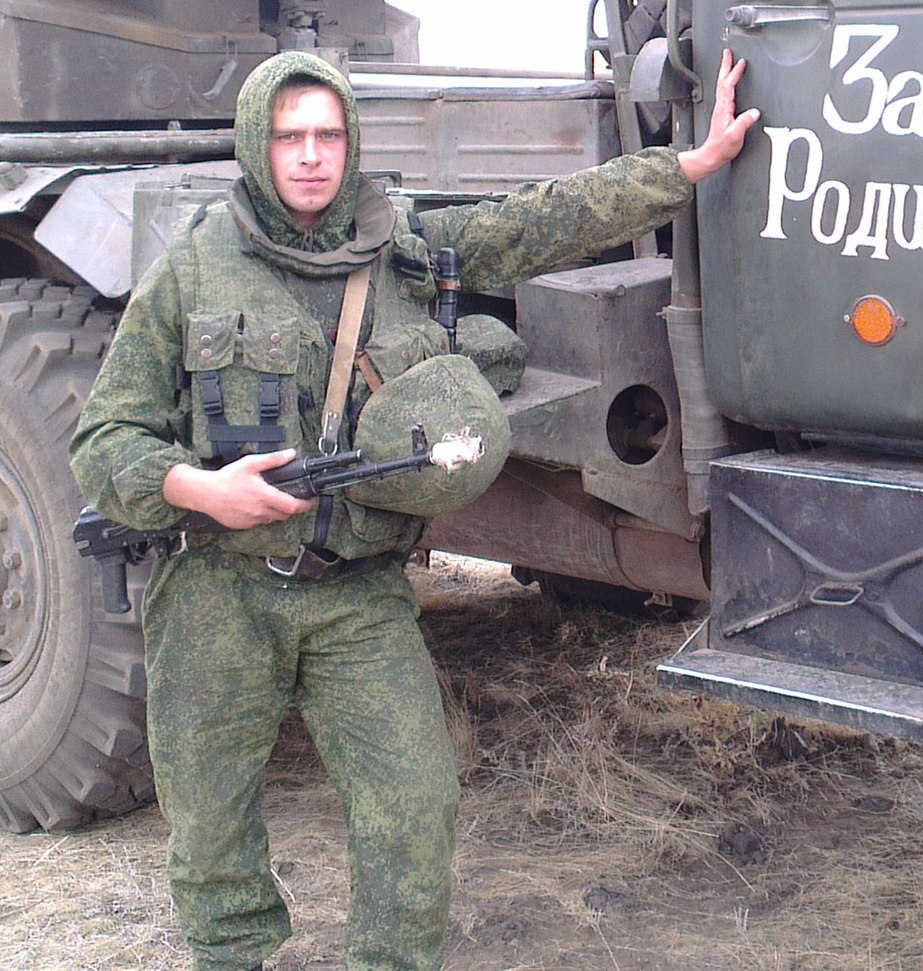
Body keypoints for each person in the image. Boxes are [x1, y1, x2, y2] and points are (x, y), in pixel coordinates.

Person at [71, 47, 756, 971]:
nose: (310, 155)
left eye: (327, 134)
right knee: (209, 821)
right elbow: (104, 438)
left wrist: (688, 167)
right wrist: (201, 489)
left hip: (356, 595)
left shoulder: (404, 249)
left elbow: (544, 220)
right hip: (217, 593)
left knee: (415, 803)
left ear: (351, 143)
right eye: (288, 137)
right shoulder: (195, 265)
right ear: (255, 146)